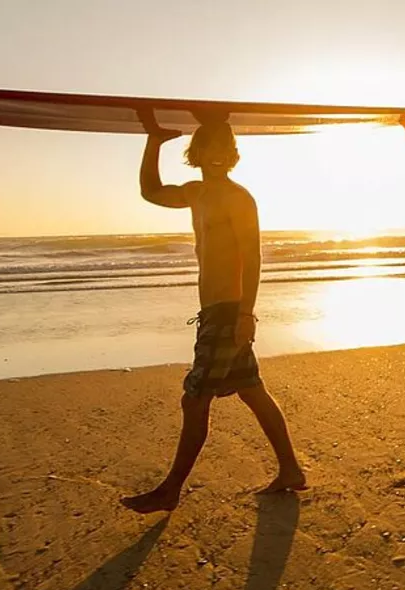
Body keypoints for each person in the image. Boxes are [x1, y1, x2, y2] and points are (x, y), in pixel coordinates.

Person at [120, 114, 307, 514]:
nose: (220, 154)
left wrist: (246, 315)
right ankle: (290, 470)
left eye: (227, 147)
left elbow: (253, 257)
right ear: (197, 152)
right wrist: (154, 142)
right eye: (212, 146)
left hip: (228, 312)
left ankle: (171, 489)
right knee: (252, 391)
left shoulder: (239, 198)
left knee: (195, 399)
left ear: (234, 155)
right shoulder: (196, 193)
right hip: (214, 312)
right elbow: (150, 191)